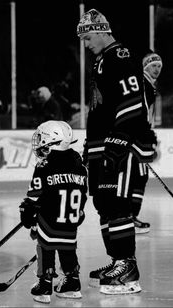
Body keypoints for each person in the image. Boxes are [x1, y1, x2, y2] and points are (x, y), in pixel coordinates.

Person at [77, 8, 158, 295]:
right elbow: (101, 108)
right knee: (104, 203)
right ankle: (116, 262)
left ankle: (128, 268)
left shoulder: (119, 57)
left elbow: (133, 100)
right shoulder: (101, 59)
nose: (85, 44)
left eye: (87, 37)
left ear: (101, 31)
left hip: (118, 145)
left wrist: (119, 139)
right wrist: (91, 147)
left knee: (118, 203)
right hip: (101, 145)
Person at [19, 120, 88, 304]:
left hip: (49, 221)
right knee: (68, 249)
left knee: (45, 246)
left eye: (42, 138)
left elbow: (33, 198)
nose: (39, 142)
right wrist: (78, 213)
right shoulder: (80, 166)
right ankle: (72, 283)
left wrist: (27, 213)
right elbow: (83, 196)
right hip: (71, 222)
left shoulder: (44, 166)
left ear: (52, 140)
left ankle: (45, 284)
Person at [132, 51, 163, 234]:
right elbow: (140, 112)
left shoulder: (149, 84)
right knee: (139, 176)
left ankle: (129, 216)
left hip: (138, 134)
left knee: (138, 176)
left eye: (159, 66)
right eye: (153, 66)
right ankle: (130, 217)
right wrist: (146, 134)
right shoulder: (143, 84)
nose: (157, 69)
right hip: (137, 136)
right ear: (145, 66)